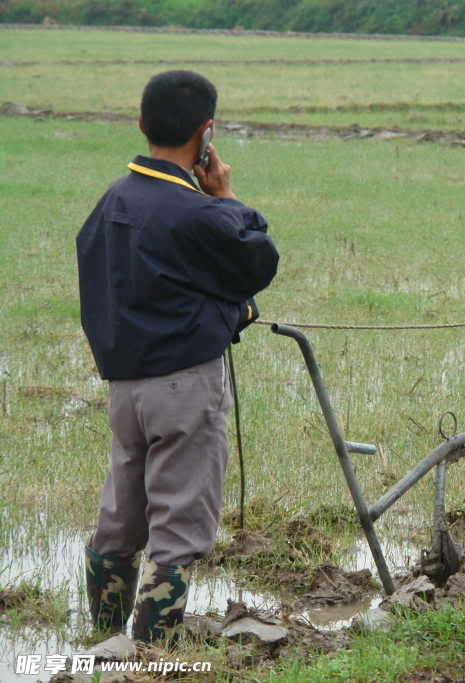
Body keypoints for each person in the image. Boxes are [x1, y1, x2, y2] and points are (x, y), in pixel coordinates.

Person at [76, 70, 279, 643]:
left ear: (142, 125)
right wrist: (227, 196)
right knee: (178, 526)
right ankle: (149, 659)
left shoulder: (110, 200)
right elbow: (257, 261)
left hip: (124, 388)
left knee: (119, 517)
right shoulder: (198, 211)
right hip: (184, 387)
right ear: (206, 133)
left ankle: (106, 642)